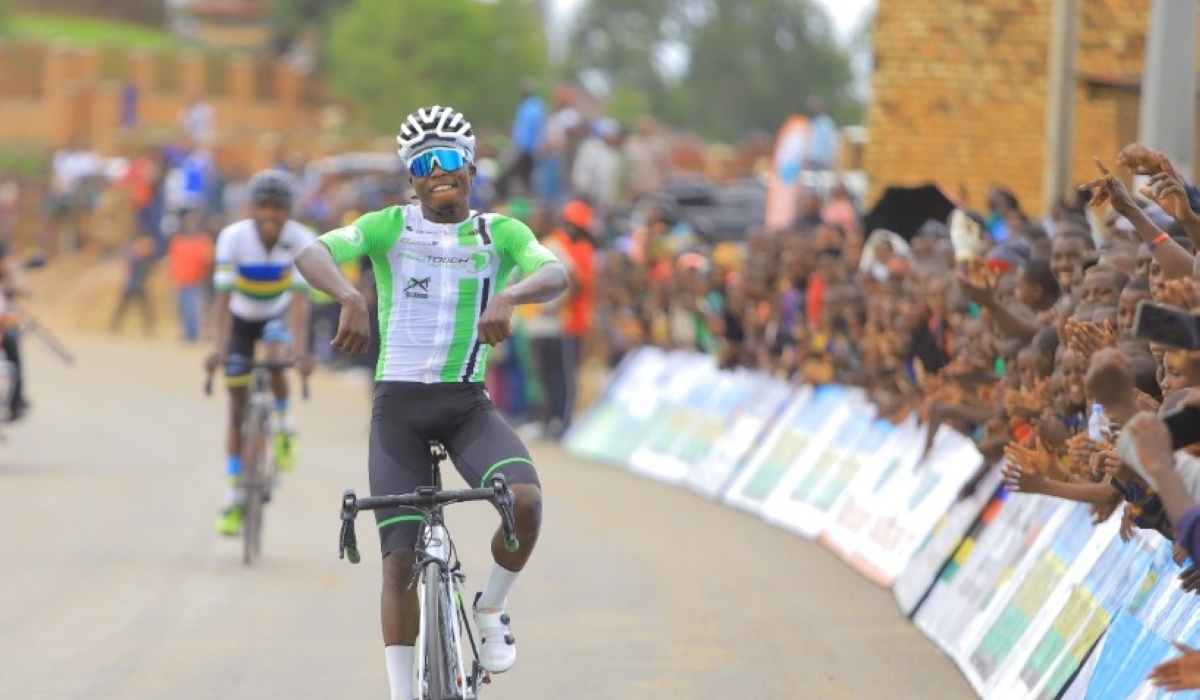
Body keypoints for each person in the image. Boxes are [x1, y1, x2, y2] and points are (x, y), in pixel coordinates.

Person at [294, 104, 569, 700]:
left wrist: (511, 295)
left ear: (471, 167)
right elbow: (311, 251)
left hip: (466, 403)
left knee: (524, 502)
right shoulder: (389, 226)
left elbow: (555, 273)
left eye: (447, 159)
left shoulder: (501, 233)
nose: (436, 171)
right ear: (411, 178)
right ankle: (399, 691)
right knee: (397, 561)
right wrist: (348, 293)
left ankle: (491, 606)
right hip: (398, 410)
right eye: (423, 164)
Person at [205, 169, 315, 537]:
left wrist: (298, 352)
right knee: (236, 409)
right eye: (264, 207)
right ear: (252, 209)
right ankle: (233, 496)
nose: (271, 215)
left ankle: (284, 427)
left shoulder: (301, 239)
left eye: (278, 208)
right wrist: (217, 349)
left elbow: (300, 303)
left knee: (273, 357)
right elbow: (221, 301)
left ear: (289, 210)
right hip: (240, 319)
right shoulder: (233, 238)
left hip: (276, 315)